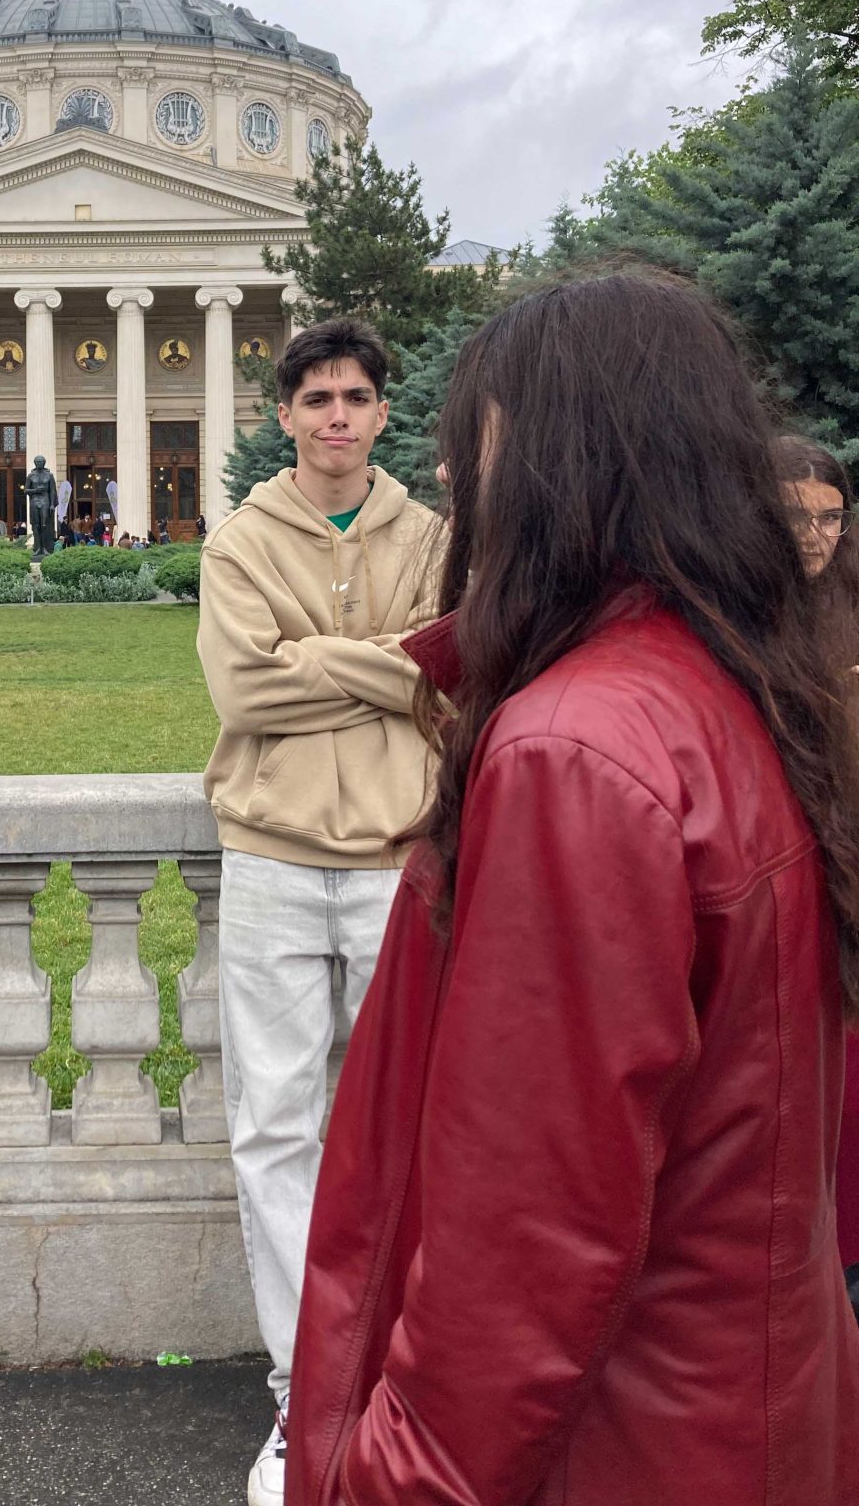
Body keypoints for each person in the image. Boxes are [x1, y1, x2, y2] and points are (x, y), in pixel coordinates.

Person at [288, 273, 859, 1505]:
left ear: (566, 464)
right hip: (736, 1407)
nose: (453, 483)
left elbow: (529, 1241)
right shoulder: (738, 685)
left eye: (477, 445)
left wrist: (391, 1482)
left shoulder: (577, 749)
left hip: (617, 1441)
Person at [196, 316, 442, 1506]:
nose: (336, 416)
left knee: (409, 1127)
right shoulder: (241, 540)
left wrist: (320, 657)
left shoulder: (435, 539)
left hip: (399, 859)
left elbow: (451, 677)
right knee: (277, 1131)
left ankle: (400, 1375)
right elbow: (244, 688)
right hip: (273, 858)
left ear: (381, 413)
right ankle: (306, 1393)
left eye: (355, 398)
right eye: (316, 399)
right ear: (285, 415)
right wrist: (382, 662)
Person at [774, 433, 859, 1325]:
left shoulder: (850, 609)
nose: (814, 536)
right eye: (795, 516)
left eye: (831, 518)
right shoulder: (739, 614)